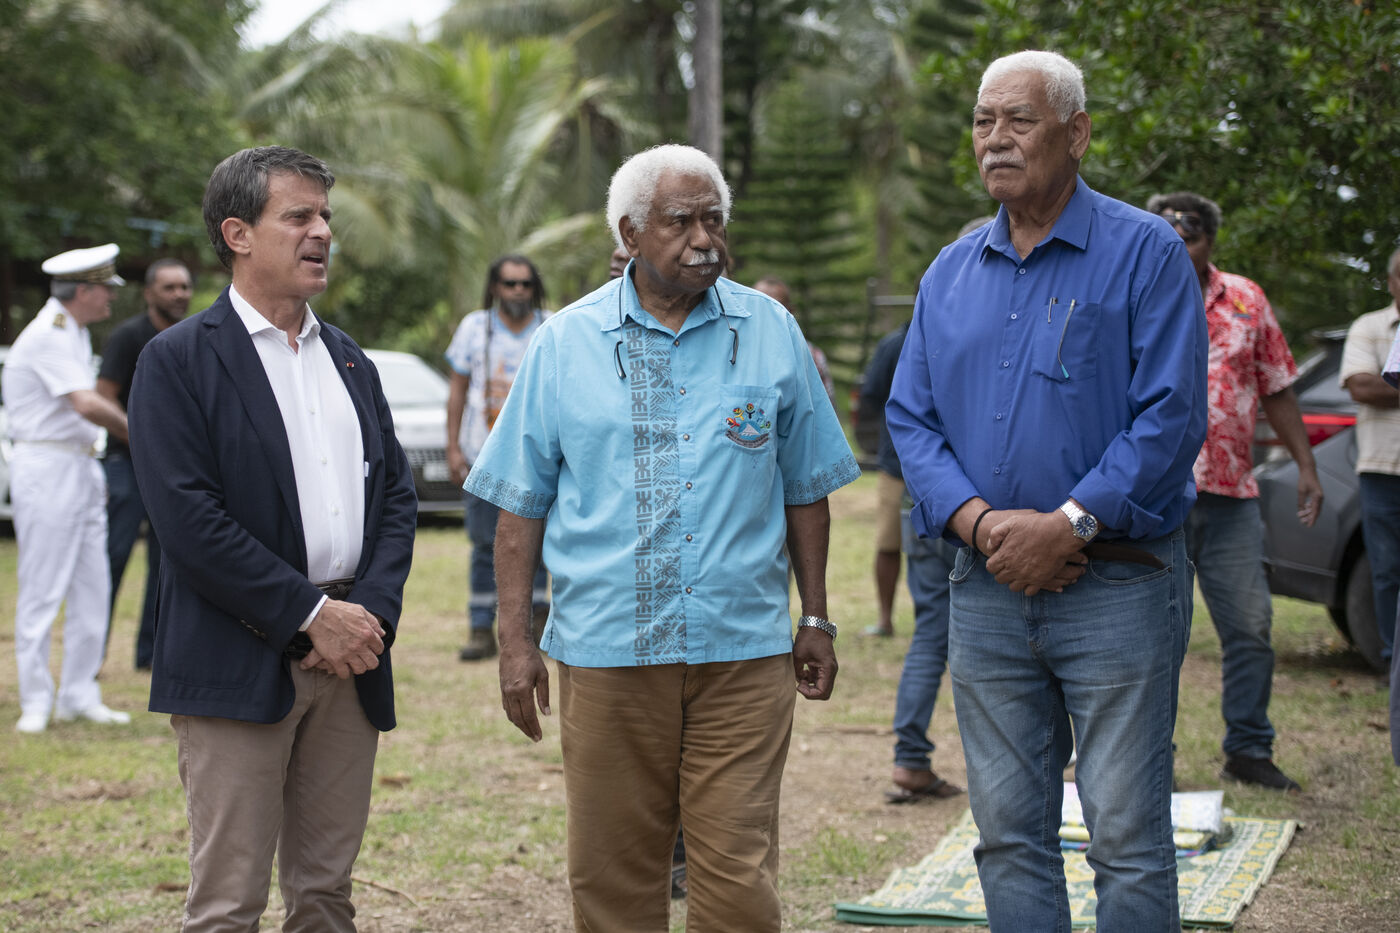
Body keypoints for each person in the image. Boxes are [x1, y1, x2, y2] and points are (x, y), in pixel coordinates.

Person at [467, 143, 859, 932]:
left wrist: (815, 614)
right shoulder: (565, 342)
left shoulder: (771, 330)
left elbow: (806, 486)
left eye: (715, 219)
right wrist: (514, 640)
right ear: (630, 233)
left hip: (742, 654)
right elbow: (519, 503)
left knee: (739, 879)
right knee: (613, 877)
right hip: (607, 653)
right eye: (681, 221)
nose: (704, 239)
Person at [887, 51, 1207, 930]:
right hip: (985, 589)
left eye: (1019, 120)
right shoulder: (949, 270)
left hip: (1118, 584)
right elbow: (911, 418)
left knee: (1127, 835)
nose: (996, 138)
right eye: (983, 120)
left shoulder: (1146, 252)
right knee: (1006, 835)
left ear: (1077, 133)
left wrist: (1068, 523)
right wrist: (983, 523)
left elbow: (1173, 415)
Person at [127, 146, 417, 931]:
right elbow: (189, 522)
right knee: (228, 903)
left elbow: (395, 495)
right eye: (299, 216)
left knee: (326, 895)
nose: (322, 231)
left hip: (352, 659)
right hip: (236, 660)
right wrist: (309, 615)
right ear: (238, 233)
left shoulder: (349, 357)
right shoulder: (178, 360)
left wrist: (367, 614)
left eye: (326, 216)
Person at [1147, 191, 1319, 792]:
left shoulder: (1246, 299)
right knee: (1154, 638)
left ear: (1211, 241)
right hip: (1153, 501)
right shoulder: (1135, 292)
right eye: (1167, 234)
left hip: (1230, 495)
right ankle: (1150, 758)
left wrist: (1307, 467)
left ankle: (1248, 747)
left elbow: (1277, 386)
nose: (1179, 244)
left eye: (1190, 235)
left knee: (1251, 625)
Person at [5, 244, 132, 734]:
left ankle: (79, 693)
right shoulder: (50, 333)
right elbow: (87, 404)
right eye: (105, 290)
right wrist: (141, 434)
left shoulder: (73, 332)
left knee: (92, 586)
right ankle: (36, 700)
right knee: (43, 586)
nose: (110, 298)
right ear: (83, 291)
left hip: (78, 464)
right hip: (48, 465)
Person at [446, 255, 552, 662]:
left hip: (535, 460)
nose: (518, 291)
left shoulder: (550, 325)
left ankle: (537, 622)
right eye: (510, 283)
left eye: (526, 284)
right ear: (495, 287)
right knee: (483, 545)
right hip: (482, 455)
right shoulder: (475, 327)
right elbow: (457, 390)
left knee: (538, 544)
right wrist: (453, 447)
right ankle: (480, 627)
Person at [97, 258, 193, 670]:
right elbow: (102, 397)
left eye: (184, 287)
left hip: (175, 472)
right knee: (113, 557)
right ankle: (91, 657)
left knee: (168, 564)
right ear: (149, 293)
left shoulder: (194, 337)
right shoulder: (128, 336)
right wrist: (141, 439)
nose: (179, 294)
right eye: (169, 287)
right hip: (127, 465)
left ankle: (151, 657)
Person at [1341, 246, 1400, 669]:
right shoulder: (1371, 326)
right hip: (1383, 470)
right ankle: (1393, 660)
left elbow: (1379, 385)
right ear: (1392, 282)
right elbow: (1361, 386)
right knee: (1387, 568)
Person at [752, 275, 837, 410]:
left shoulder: (810, 355)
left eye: (776, 306)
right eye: (759, 305)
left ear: (790, 311)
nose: (767, 313)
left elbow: (826, 408)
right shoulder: (736, 350)